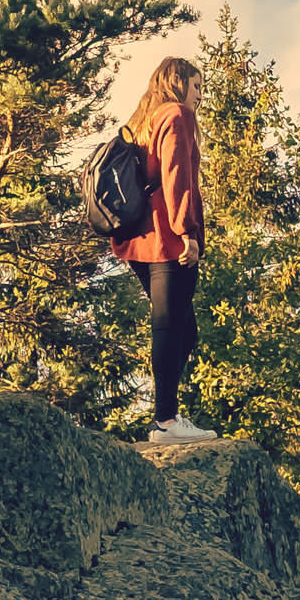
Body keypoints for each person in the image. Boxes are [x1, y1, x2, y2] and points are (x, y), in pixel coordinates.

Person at [113, 55, 218, 443]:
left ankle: (166, 412)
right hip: (166, 237)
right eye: (197, 86)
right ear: (179, 83)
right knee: (171, 327)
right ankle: (166, 421)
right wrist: (187, 232)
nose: (200, 96)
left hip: (138, 237)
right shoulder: (176, 115)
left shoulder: (144, 119)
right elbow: (177, 177)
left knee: (183, 329)